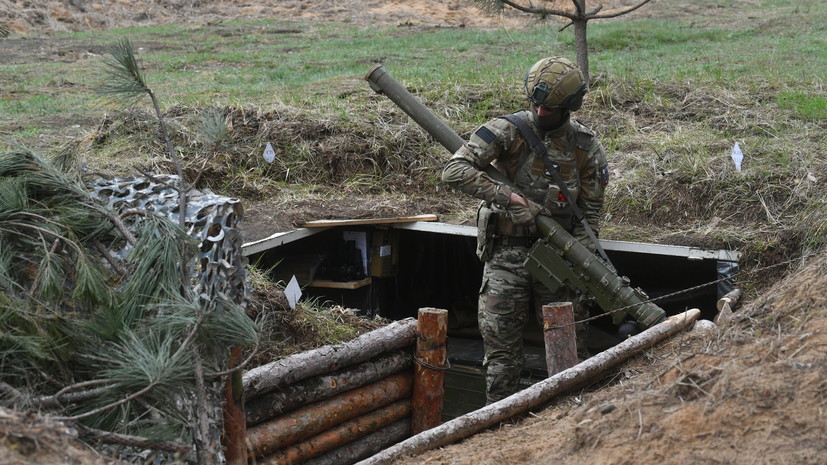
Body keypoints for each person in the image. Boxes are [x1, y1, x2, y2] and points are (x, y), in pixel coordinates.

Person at [441, 56, 609, 403]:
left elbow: (591, 213)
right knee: (501, 356)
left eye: (548, 107)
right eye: (535, 102)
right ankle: (497, 423)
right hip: (506, 255)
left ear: (568, 107)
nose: (539, 110)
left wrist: (579, 258)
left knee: (567, 355)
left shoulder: (585, 146)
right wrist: (508, 198)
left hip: (558, 261)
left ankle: (565, 421)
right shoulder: (508, 130)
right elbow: (455, 170)